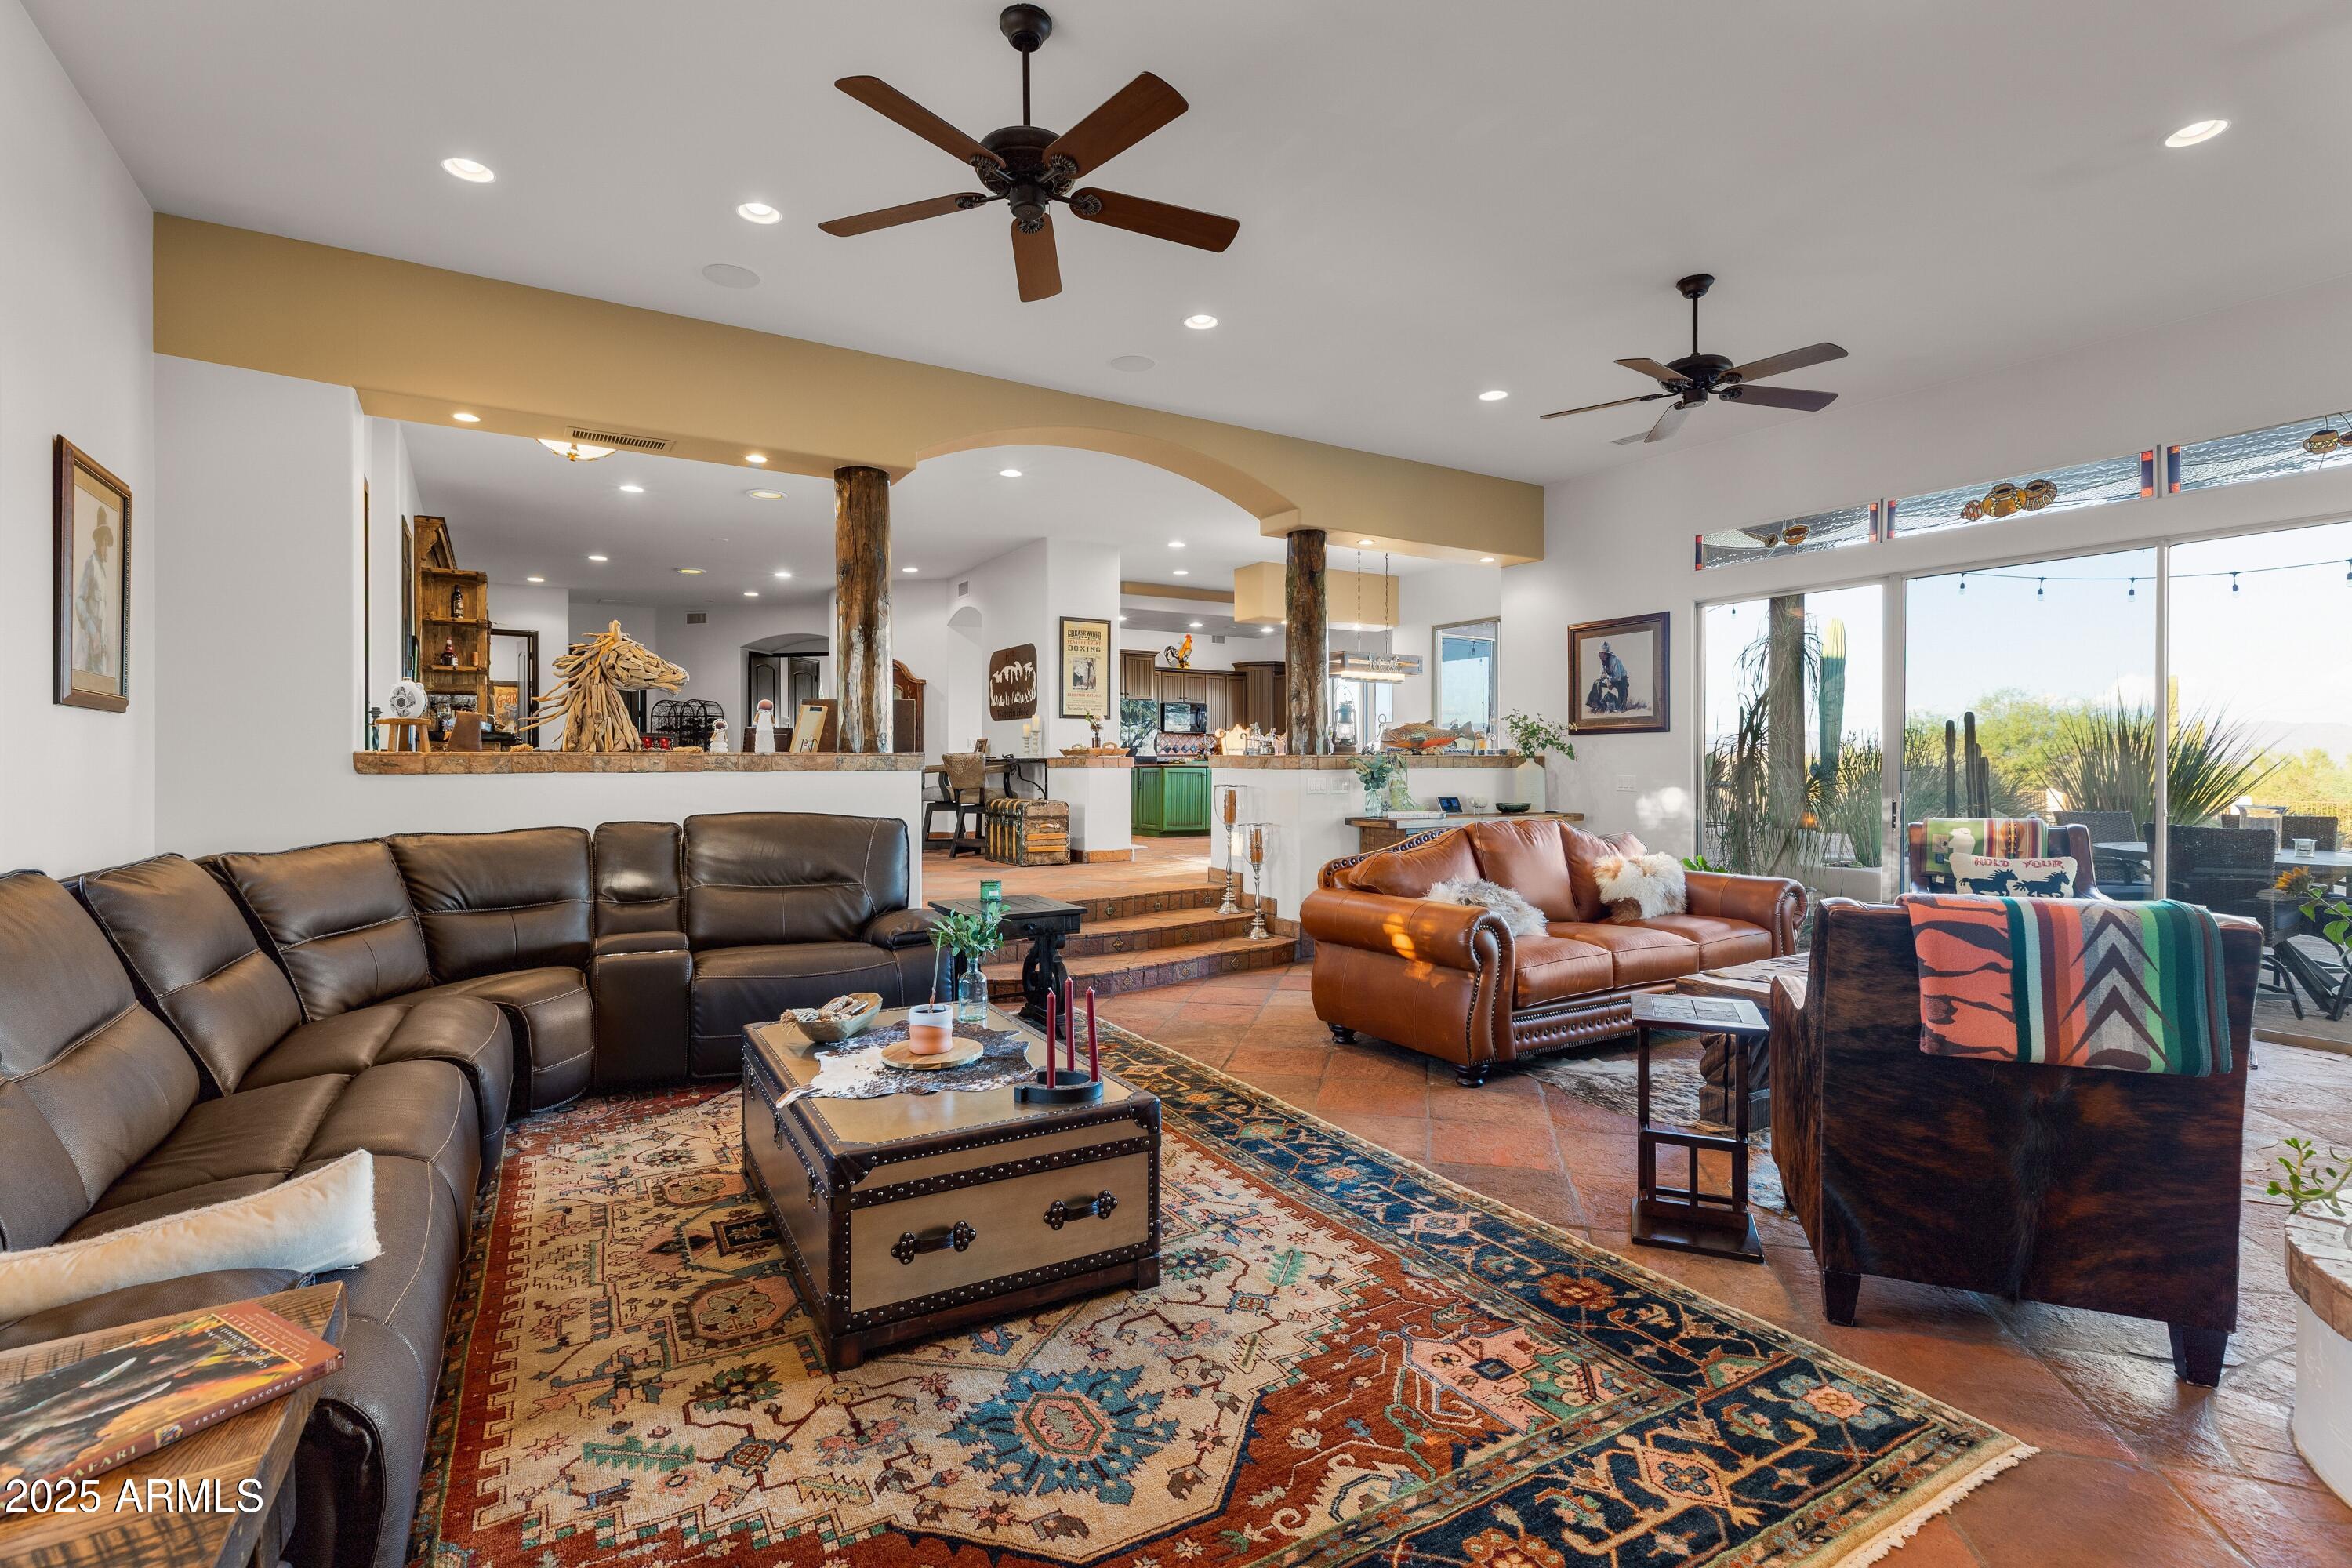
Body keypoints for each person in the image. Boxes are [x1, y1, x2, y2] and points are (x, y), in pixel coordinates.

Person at [74, 514, 115, 678]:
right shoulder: (91, 564)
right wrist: (93, 633)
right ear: (98, 542)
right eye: (104, 543)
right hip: (91, 646)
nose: (106, 548)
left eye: (107, 543)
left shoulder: (102, 571)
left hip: (100, 649)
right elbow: (79, 601)